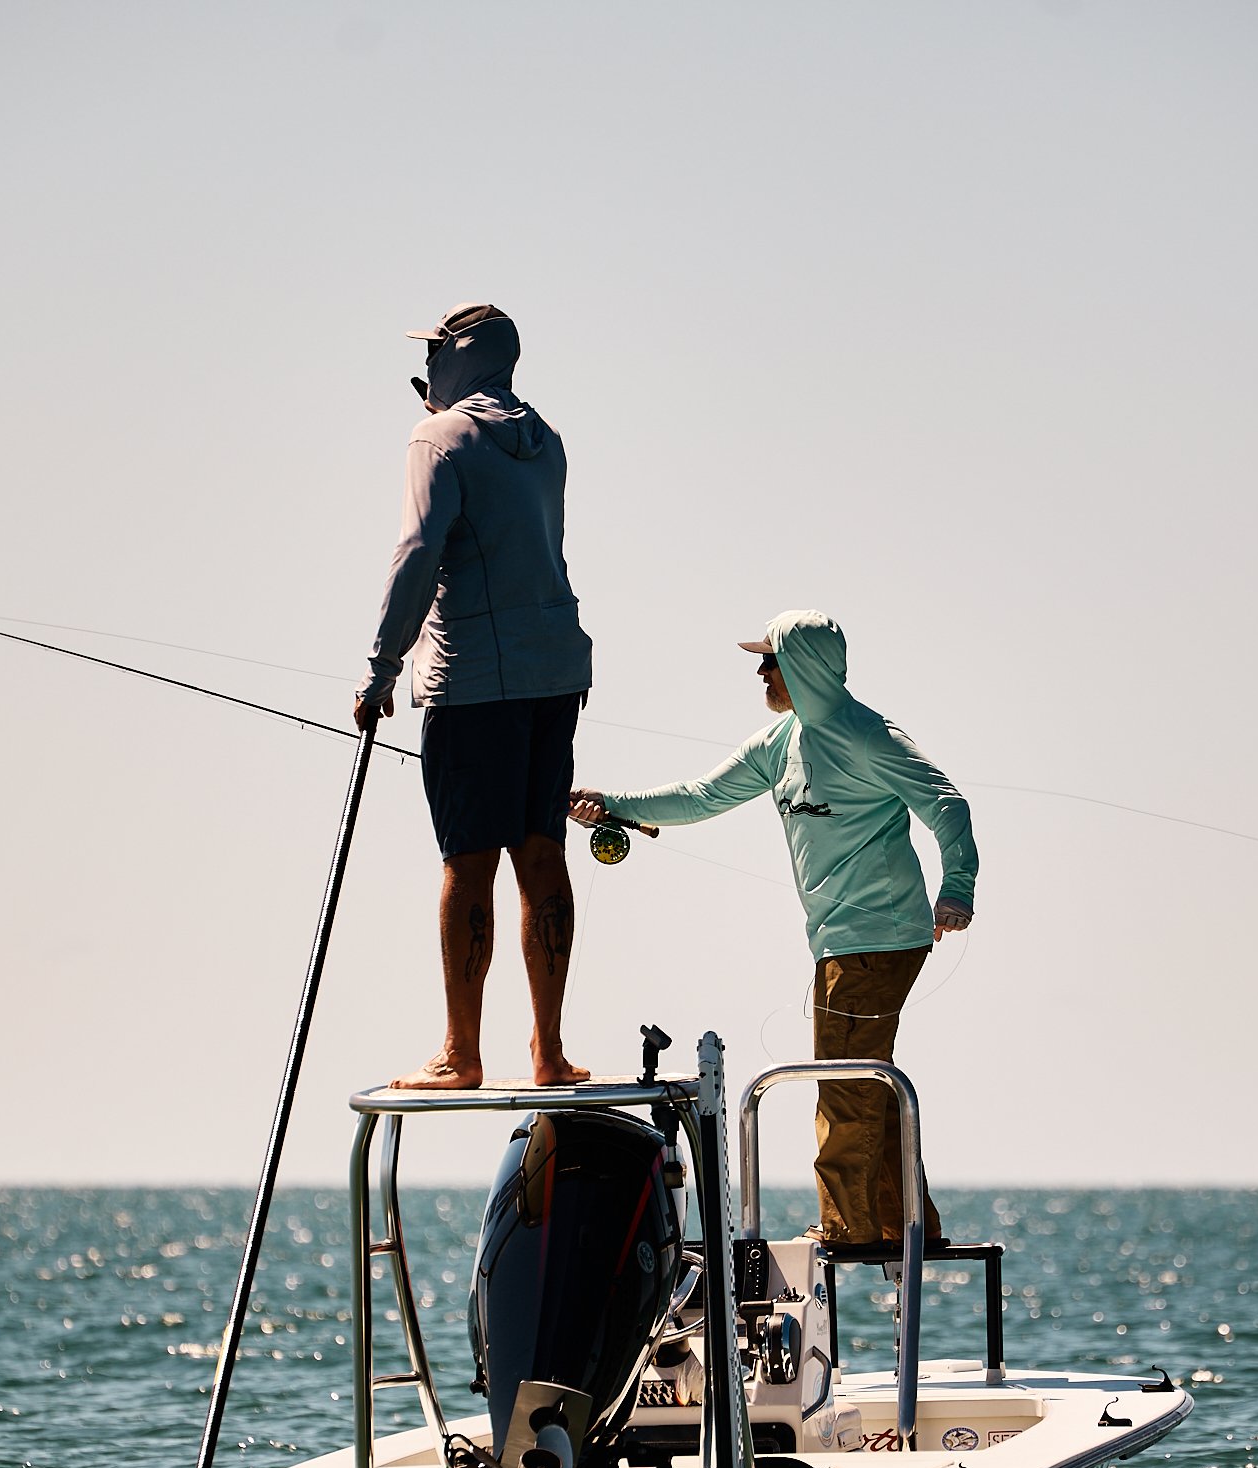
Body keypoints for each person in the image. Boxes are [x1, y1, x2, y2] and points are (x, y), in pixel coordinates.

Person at [570, 609, 977, 1249]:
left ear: (804, 668)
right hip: (838, 941)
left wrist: (957, 890)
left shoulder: (869, 737)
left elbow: (947, 805)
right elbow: (700, 796)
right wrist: (613, 804)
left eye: (771, 660)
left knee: (846, 1081)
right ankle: (906, 1223)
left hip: (884, 935)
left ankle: (848, 1227)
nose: (760, 671)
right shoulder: (778, 744)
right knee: (867, 1078)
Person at [355, 302, 592, 1089]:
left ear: (461, 359)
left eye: (432, 358)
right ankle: (549, 1053)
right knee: (541, 853)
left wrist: (379, 669)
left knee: (468, 861)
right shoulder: (545, 441)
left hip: (475, 680)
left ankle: (462, 1054)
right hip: (555, 675)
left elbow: (419, 553)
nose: (425, 375)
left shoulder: (438, 438)